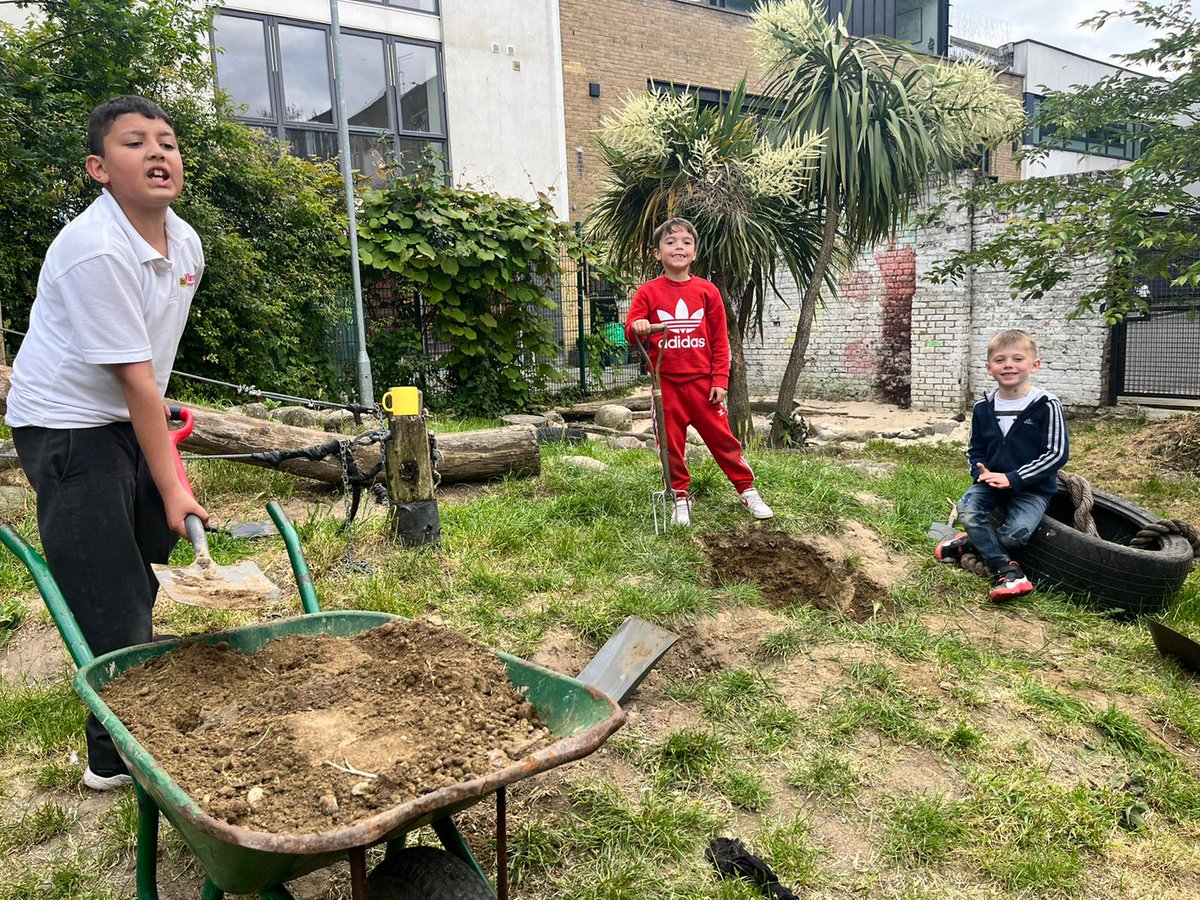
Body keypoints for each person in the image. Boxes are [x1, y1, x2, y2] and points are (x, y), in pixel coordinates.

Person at [6, 96, 208, 790]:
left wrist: (163, 485)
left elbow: (152, 372)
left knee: (154, 537)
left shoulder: (184, 244)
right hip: (64, 424)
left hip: (121, 416)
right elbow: (136, 381)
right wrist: (175, 478)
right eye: (134, 143)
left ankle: (128, 629)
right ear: (98, 167)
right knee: (112, 587)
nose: (158, 152)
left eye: (168, 142)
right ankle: (112, 756)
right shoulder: (93, 249)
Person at [626, 218, 773, 527]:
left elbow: (720, 339)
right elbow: (631, 330)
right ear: (657, 253)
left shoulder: (707, 292)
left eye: (685, 242)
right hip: (666, 386)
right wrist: (637, 326)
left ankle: (746, 488)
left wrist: (720, 379)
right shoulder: (648, 293)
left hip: (703, 385)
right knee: (671, 444)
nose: (678, 246)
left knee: (723, 440)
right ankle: (680, 495)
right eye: (670, 242)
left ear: (694, 253)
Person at [935, 329, 1068, 601]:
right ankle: (1006, 571)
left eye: (1018, 358)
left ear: (1035, 365)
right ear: (988, 368)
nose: (1008, 365)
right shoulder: (983, 407)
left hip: (1032, 487)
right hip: (991, 481)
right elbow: (976, 450)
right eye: (1000, 360)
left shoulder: (1046, 405)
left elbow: (1057, 453)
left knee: (1014, 537)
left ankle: (966, 543)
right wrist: (980, 472)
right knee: (968, 510)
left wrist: (1014, 478)